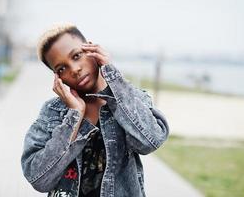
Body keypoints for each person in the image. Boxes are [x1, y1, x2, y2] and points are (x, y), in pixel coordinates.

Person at [21, 23, 169, 197]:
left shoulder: (129, 98)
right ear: (57, 77)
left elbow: (150, 142)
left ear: (91, 48)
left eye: (76, 56)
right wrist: (74, 117)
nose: (74, 70)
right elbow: (38, 179)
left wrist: (112, 77)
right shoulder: (53, 112)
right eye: (62, 68)